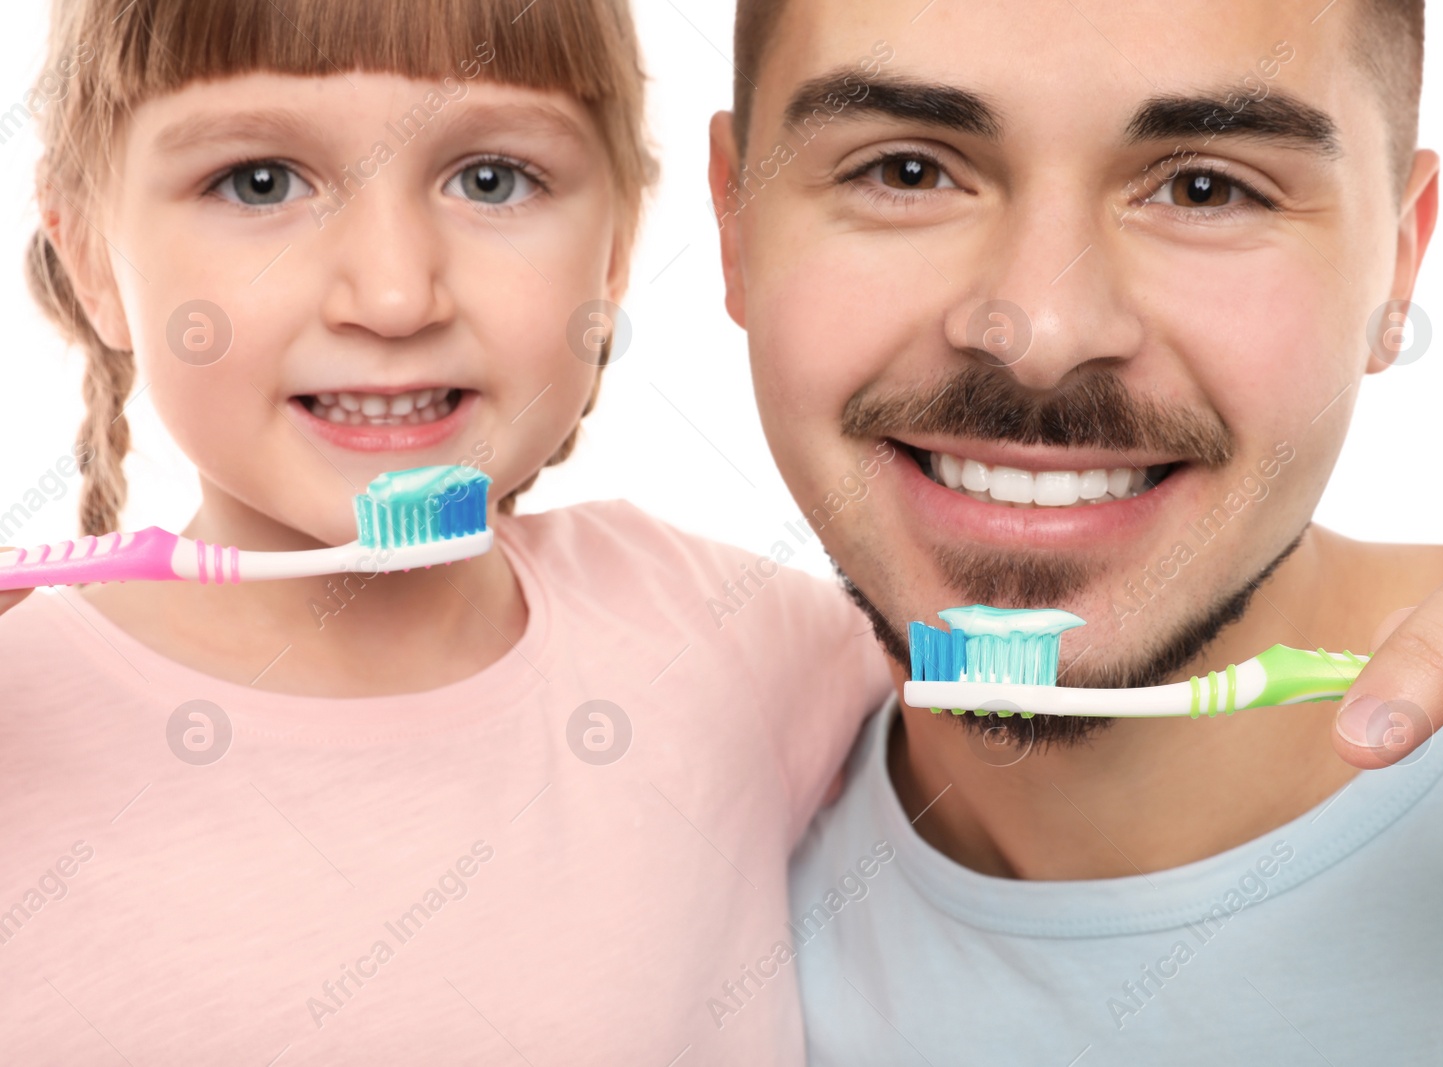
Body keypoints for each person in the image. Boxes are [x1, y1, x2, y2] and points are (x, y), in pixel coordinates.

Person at [707, 0, 1443, 1061]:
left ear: (1398, 265)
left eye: (1203, 187)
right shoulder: (668, 864)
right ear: (734, 222)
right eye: (906, 171)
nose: (1041, 333)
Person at [0, 1, 887, 1061]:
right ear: (92, 257)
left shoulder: (747, 644)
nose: (391, 293)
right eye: (260, 181)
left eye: (490, 179)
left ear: (613, 256)